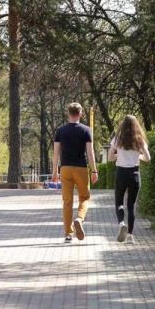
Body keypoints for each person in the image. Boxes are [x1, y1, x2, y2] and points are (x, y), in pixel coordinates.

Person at [52, 102, 99, 243]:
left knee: (67, 201)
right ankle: (79, 218)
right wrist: (94, 170)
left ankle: (68, 233)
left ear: (68, 113)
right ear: (81, 114)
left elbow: (56, 153)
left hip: (65, 168)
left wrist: (54, 172)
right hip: (81, 168)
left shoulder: (60, 131)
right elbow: (90, 153)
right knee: (84, 197)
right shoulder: (86, 130)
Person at [108, 115, 150, 244]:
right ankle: (130, 236)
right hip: (135, 174)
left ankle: (121, 223)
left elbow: (110, 157)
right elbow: (148, 158)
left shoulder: (118, 138)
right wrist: (138, 157)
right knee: (131, 205)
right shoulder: (139, 139)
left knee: (119, 202)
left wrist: (118, 156)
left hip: (121, 173)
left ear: (123, 125)